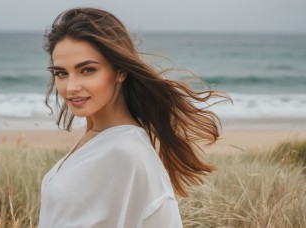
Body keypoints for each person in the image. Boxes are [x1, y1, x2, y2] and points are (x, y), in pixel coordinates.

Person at [39, 7, 227, 227]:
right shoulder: (98, 137)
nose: (71, 87)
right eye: (61, 73)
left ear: (120, 71)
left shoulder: (126, 151)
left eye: (87, 70)